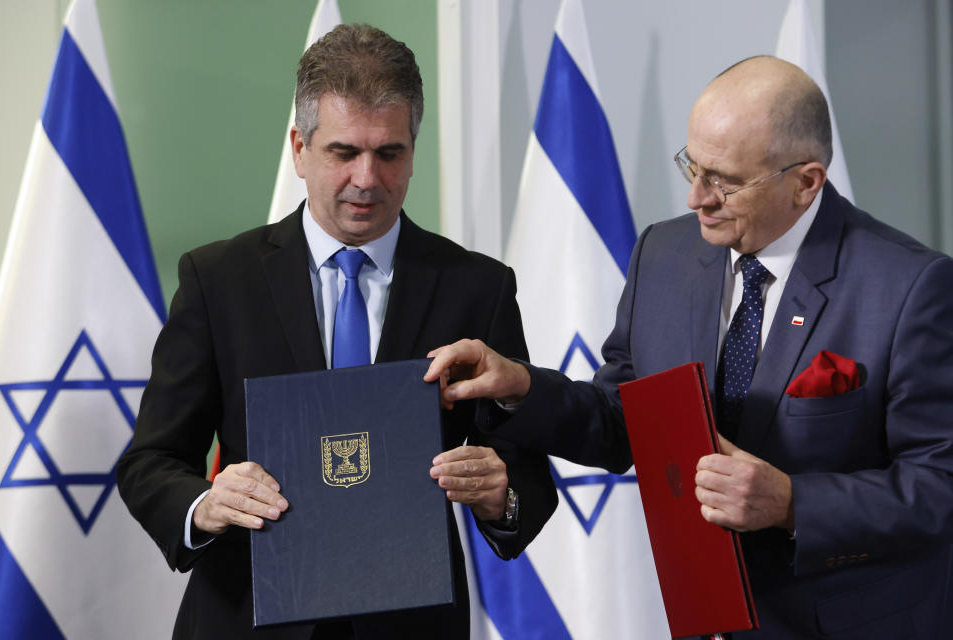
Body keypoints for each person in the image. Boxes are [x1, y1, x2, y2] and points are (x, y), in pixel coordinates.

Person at [425, 56, 953, 638]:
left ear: (805, 183)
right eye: (692, 167)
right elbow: (622, 425)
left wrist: (793, 502)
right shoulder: (664, 255)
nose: (696, 198)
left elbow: (939, 486)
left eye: (724, 181)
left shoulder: (910, 287)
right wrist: (524, 388)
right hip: (703, 620)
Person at [117, 24, 557, 640]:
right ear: (300, 148)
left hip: (412, 622)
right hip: (245, 614)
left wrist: (499, 494)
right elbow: (151, 460)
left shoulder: (476, 288)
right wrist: (205, 504)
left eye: (389, 153)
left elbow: (526, 475)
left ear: (412, 150)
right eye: (344, 152)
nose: (367, 179)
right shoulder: (219, 280)